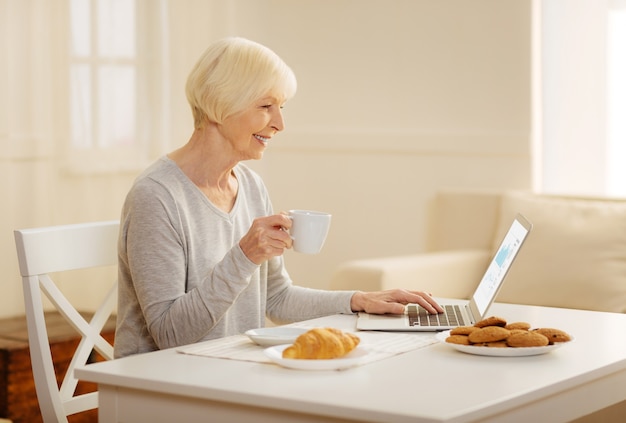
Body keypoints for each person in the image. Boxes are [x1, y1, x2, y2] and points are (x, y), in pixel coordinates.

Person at [114, 37, 443, 358]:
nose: (280, 124)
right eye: (265, 106)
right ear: (219, 104)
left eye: (281, 107)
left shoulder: (251, 186)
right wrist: (244, 256)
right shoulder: (156, 197)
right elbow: (172, 335)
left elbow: (276, 297)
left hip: (230, 371)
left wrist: (360, 300)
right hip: (162, 386)